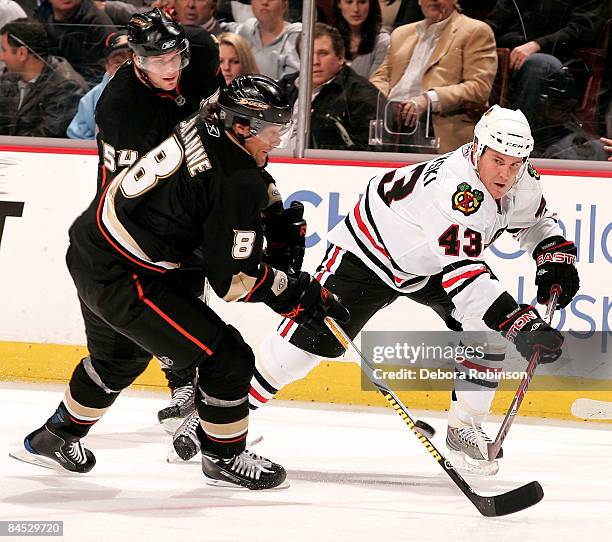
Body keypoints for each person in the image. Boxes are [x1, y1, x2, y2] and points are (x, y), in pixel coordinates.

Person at [13, 74, 348, 490]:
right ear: (242, 126)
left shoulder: (206, 116)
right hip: (126, 274)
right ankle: (224, 457)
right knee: (227, 357)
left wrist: (270, 212)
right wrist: (297, 294)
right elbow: (233, 281)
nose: (279, 139)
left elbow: (220, 189)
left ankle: (54, 436)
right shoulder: (235, 179)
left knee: (118, 361)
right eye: (275, 130)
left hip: (92, 244)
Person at [247, 105, 579, 475]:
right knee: (306, 346)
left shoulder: (522, 180)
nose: (506, 173)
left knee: (483, 326)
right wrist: (520, 323)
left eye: (515, 163)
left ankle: (464, 428)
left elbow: (535, 222)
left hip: (430, 260)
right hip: (370, 252)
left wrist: (552, 256)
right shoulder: (457, 190)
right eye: (498, 160)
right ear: (477, 148)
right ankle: (221, 413)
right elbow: (465, 278)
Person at [93, 8, 225, 429]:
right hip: (137, 211)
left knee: (195, 288)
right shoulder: (120, 109)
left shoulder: (201, 51)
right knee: (162, 293)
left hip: (199, 184)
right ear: (135, 59)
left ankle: (190, 389)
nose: (170, 69)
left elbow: (220, 113)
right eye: (157, 61)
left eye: (175, 58)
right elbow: (131, 194)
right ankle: (182, 388)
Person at [370, 0, 497, 153]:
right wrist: (382, 100)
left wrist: (428, 100)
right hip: (390, 119)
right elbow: (381, 78)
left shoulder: (475, 31)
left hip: (435, 124)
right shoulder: (401, 33)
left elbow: (479, 87)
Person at [485, 0, 607, 131]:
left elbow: (583, 30)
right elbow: (495, 22)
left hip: (562, 63)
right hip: (509, 55)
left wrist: (537, 44)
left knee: (539, 65)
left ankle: (516, 136)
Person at [278, 22, 380, 150]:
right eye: (308, 53)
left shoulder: (361, 95)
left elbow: (370, 150)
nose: (315, 61)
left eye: (323, 53)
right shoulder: (285, 86)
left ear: (340, 57)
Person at [0, 18, 89, 137]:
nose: (1, 57)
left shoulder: (68, 88)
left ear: (22, 53)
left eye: (4, 50)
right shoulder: (10, 79)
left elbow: (43, 138)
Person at [34, 0, 118, 87]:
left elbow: (101, 75)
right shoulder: (40, 17)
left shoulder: (97, 23)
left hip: (84, 90)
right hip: (51, 86)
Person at [66, 30, 131, 139]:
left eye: (132, 61)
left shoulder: (160, 93)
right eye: (118, 63)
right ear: (107, 67)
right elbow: (77, 136)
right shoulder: (91, 99)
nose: (126, 68)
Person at [222, 0, 301, 81]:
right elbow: (215, 27)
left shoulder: (297, 37)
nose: (264, 2)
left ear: (284, 5)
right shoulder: (246, 29)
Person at [333, 0, 390, 79]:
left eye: (362, 2)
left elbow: (375, 86)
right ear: (339, 4)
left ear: (370, 4)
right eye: (349, 2)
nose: (356, 9)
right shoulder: (330, 38)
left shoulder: (383, 41)